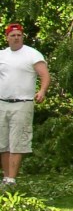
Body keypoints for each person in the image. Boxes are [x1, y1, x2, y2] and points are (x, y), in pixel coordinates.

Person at [0, 23, 50, 192]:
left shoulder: (32, 54)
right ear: (7, 37)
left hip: (22, 104)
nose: (16, 38)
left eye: (19, 35)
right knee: (3, 143)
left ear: (22, 37)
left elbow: (44, 74)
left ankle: (12, 180)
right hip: (2, 103)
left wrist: (42, 91)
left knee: (17, 142)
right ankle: (6, 179)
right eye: (12, 35)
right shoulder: (2, 55)